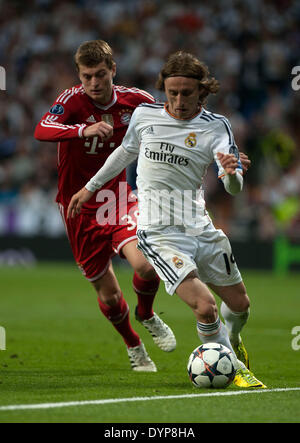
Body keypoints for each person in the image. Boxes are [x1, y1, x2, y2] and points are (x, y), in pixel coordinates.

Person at [67, 51, 266, 388]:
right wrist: (90, 188)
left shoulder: (216, 127)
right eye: (172, 92)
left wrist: (231, 174)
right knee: (204, 307)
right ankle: (232, 368)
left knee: (240, 305)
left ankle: (232, 340)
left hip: (200, 227)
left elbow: (233, 185)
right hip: (158, 233)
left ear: (201, 91)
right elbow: (124, 152)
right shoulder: (145, 116)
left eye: (186, 93)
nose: (178, 100)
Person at [34, 39, 177, 373]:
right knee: (110, 295)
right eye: (86, 76)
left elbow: (168, 126)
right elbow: (42, 129)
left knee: (146, 265)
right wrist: (83, 129)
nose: (94, 83)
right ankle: (134, 345)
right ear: (79, 76)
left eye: (100, 74)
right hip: (77, 208)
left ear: (113, 70)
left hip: (116, 198)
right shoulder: (71, 101)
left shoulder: (137, 101)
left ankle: (146, 313)